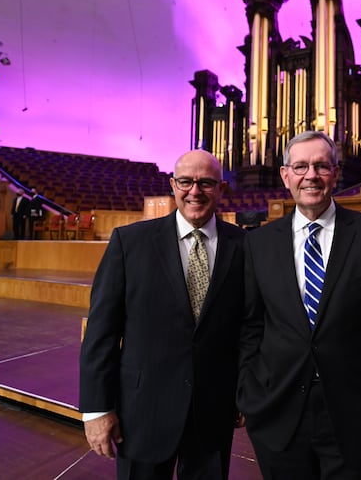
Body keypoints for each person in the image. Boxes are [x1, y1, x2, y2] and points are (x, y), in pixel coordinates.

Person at [237, 130, 361, 480]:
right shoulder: (258, 244)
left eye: (320, 165)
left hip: (357, 415)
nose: (311, 175)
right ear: (286, 175)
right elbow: (251, 326)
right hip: (279, 412)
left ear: (335, 172)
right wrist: (248, 393)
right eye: (300, 166)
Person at [79, 150, 246, 480]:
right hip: (142, 412)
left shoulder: (245, 246)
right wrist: (97, 409)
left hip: (213, 411)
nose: (194, 191)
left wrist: (245, 393)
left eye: (206, 183)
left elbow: (248, 329)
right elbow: (102, 332)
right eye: (185, 181)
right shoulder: (130, 242)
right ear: (172, 185)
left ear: (221, 189)